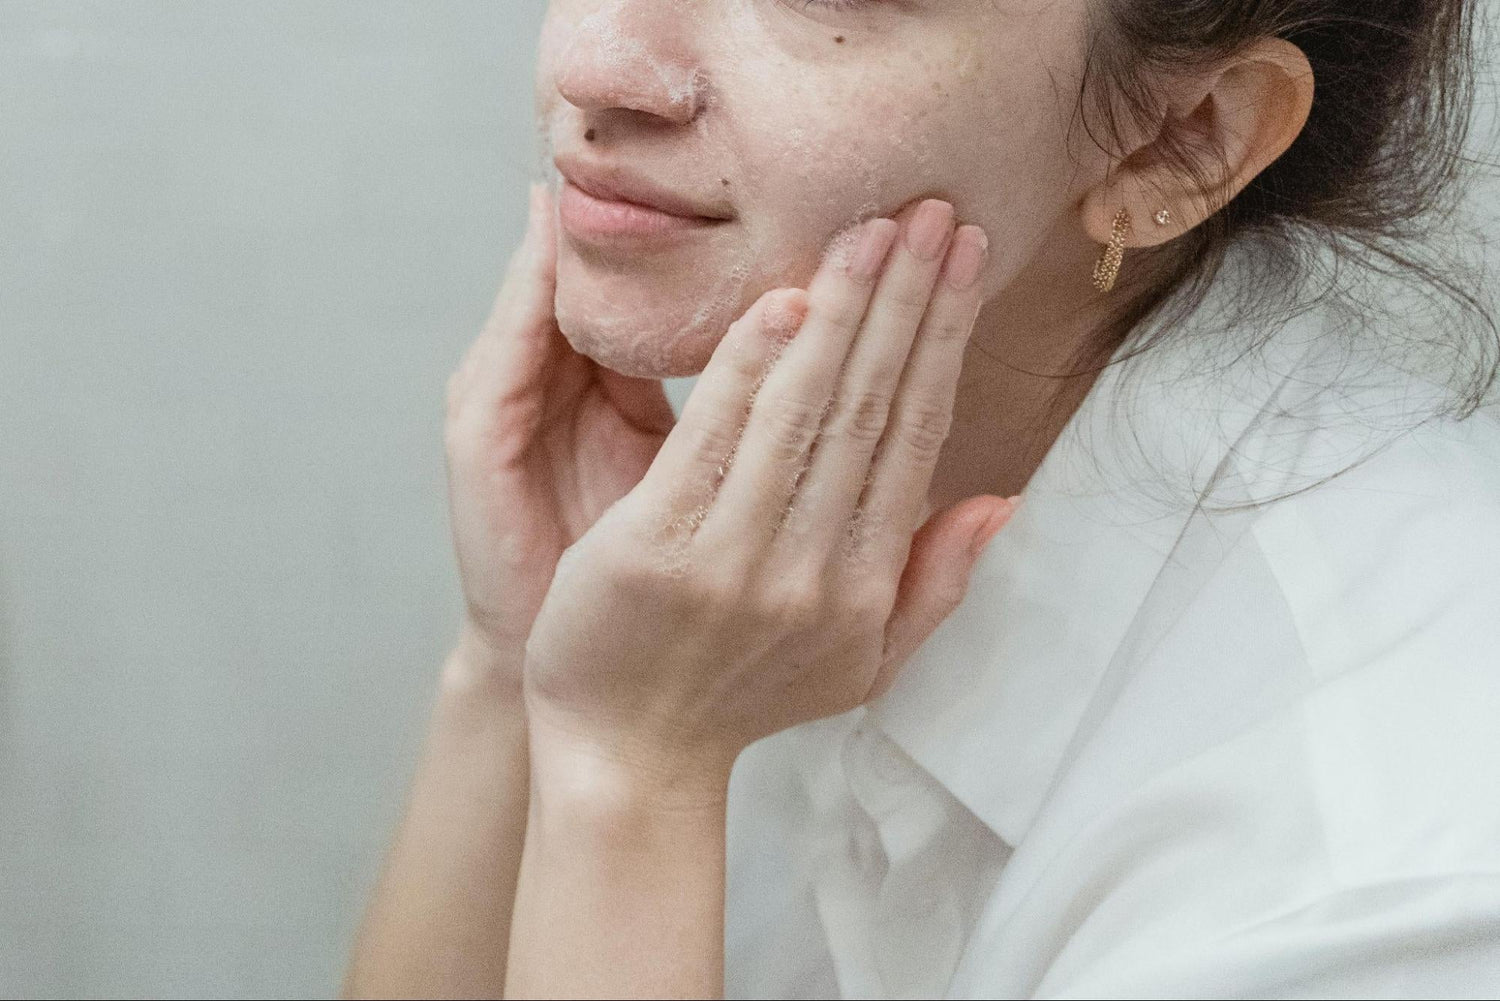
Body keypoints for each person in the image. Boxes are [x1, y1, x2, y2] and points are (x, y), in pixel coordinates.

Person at [344, 1, 1500, 997]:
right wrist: (517, 669)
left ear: (1178, 142)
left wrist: (629, 772)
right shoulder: (747, 563)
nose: (596, 64)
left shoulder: (1377, 883)